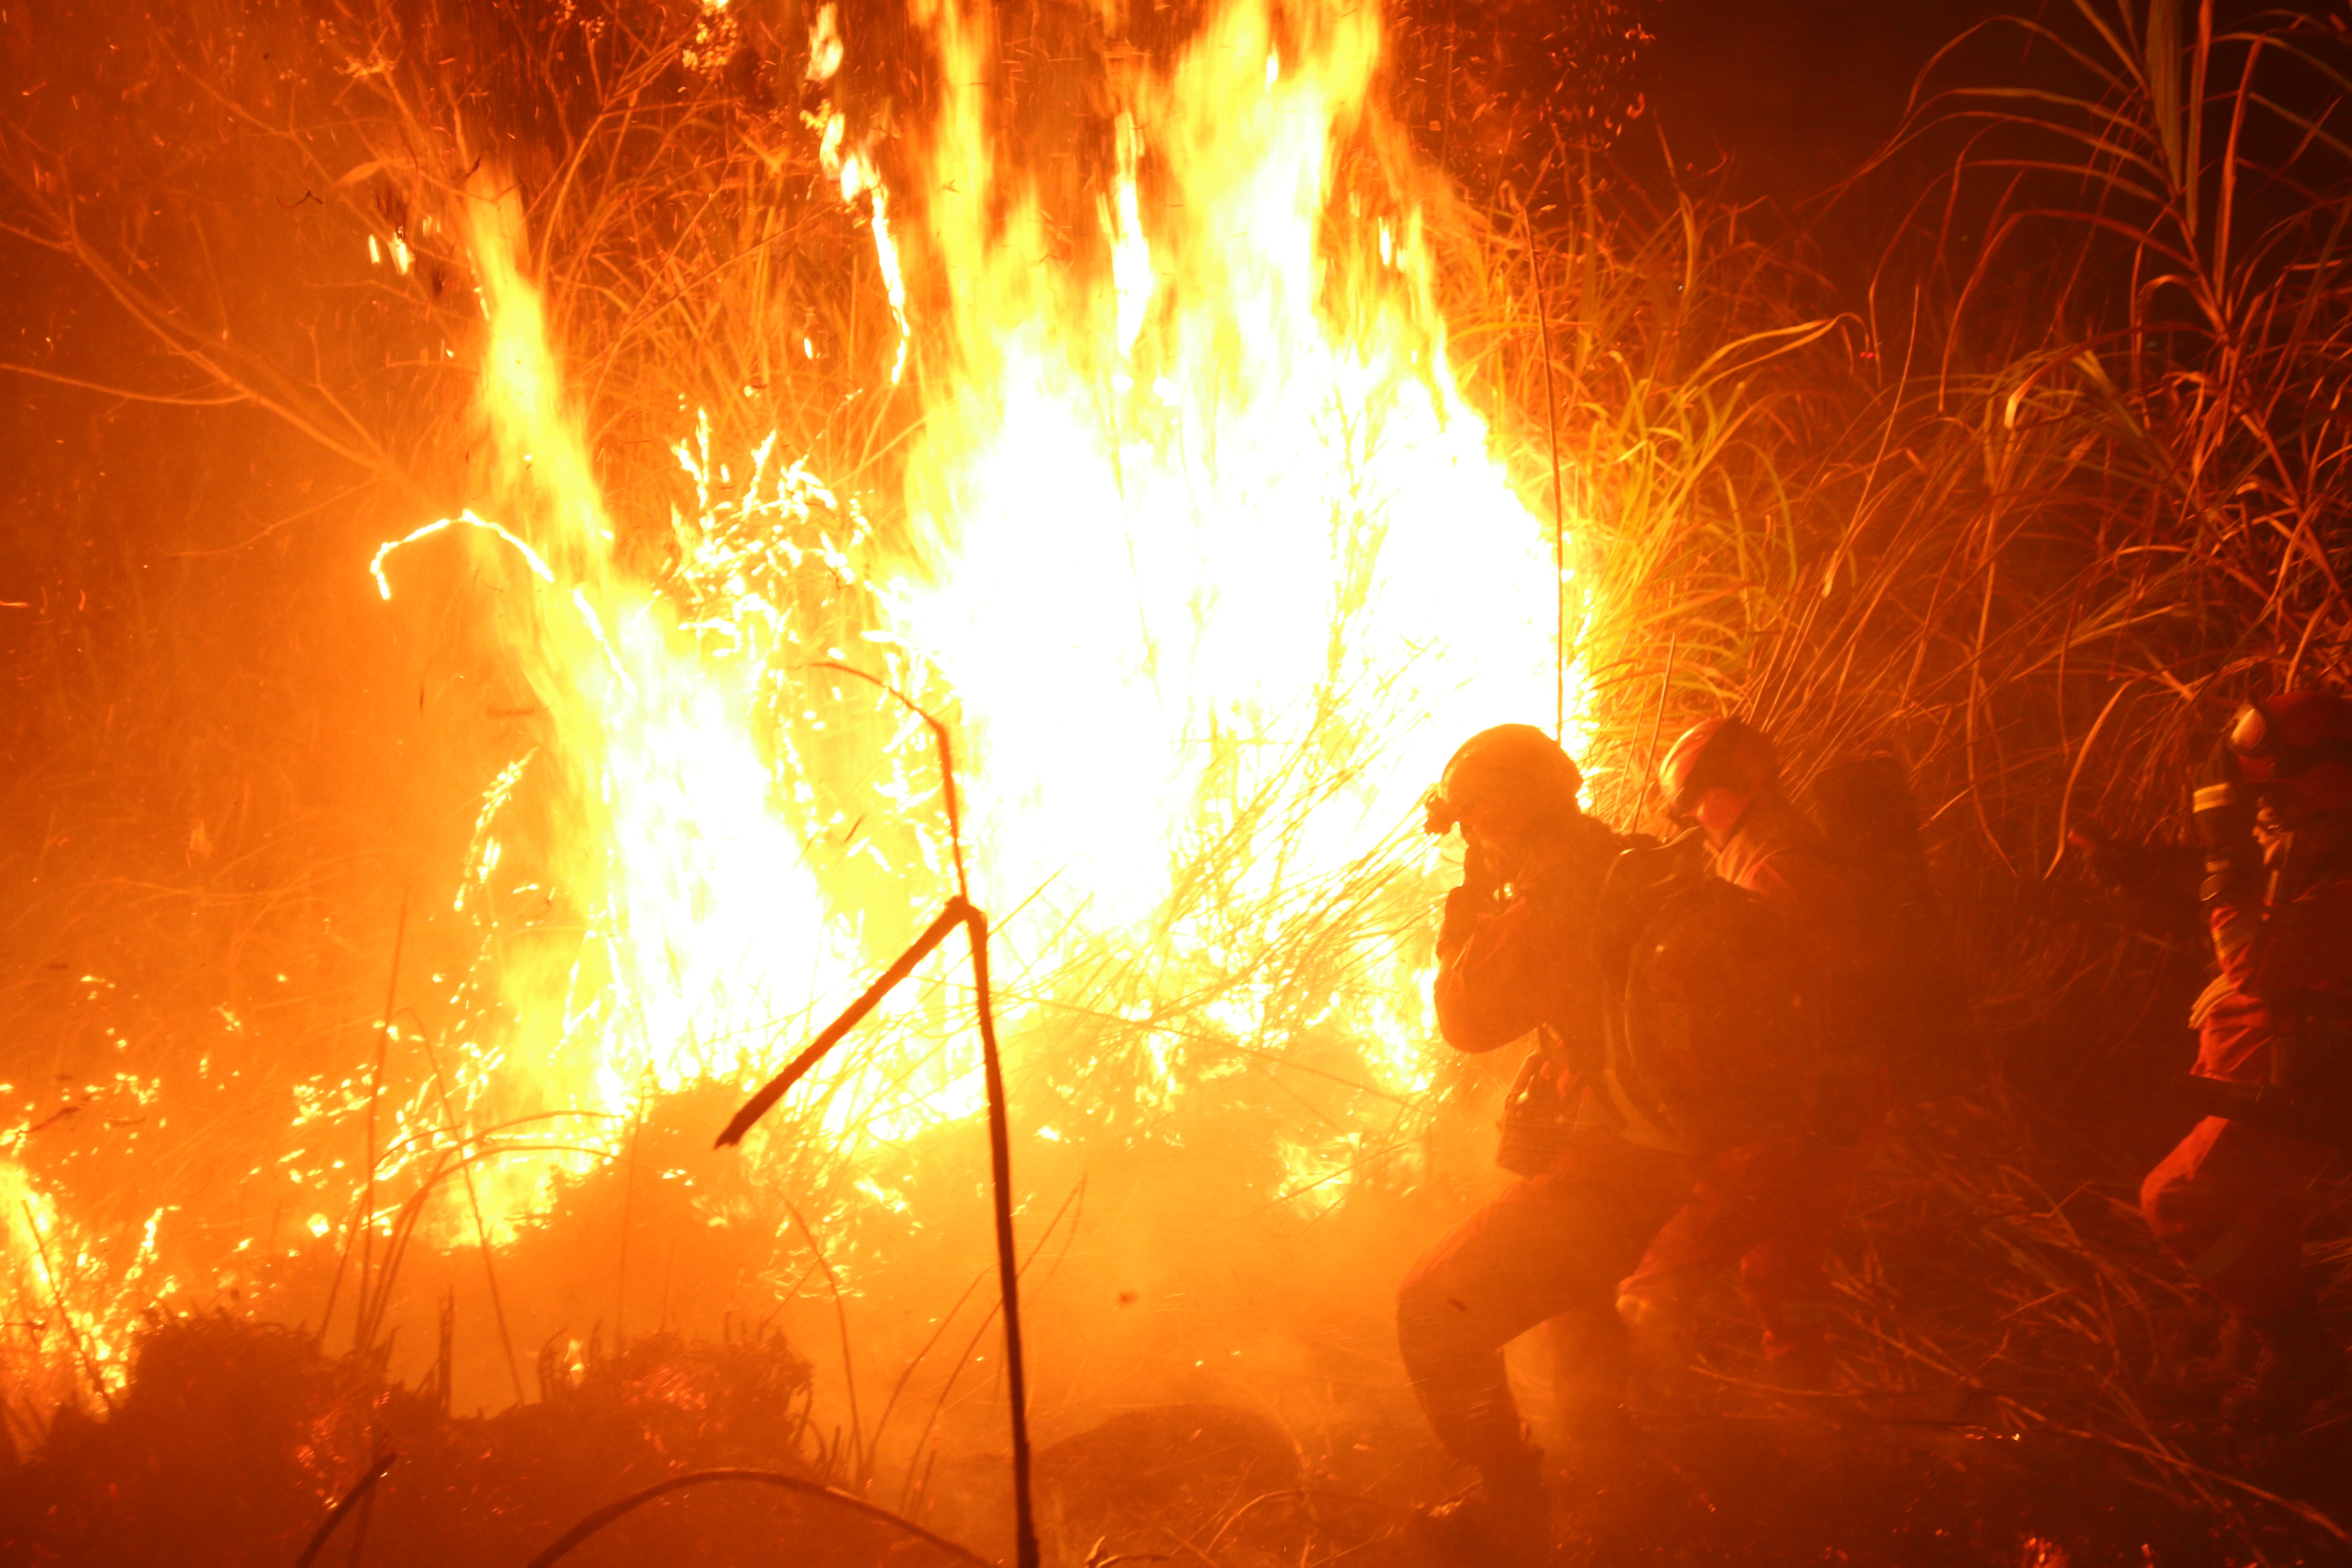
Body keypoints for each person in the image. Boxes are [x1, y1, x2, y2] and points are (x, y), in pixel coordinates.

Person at [1395, 724, 1688, 1563]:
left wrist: (1470, 914)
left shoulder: (1551, 898)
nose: (1474, 840)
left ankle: (1511, 1515)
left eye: (1480, 823)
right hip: (1683, 1150)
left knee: (1431, 1312)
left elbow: (1466, 1022)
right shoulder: (1626, 861)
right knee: (1575, 1312)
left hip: (1630, 1170)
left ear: (1509, 813)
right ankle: (1626, 1488)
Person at [1611, 717, 1877, 1388]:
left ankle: (1644, 1431)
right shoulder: (1753, 853)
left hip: (1800, 1118)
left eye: (1699, 799)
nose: (1693, 818)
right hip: (1820, 1112)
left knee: (1655, 1280)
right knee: (1785, 1264)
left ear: (1745, 781)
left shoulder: (1780, 866)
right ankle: (1811, 1390)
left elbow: (1814, 1003)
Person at [2139, 688, 2352, 1428]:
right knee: (2257, 1217)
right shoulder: (2317, 838)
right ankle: (2262, 1349)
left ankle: (2301, 1354)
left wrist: (2223, 851)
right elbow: (2257, 905)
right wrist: (2143, 868)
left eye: (2269, 798)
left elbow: (2256, 961)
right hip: (2260, 1069)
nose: (2261, 818)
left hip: (2293, 1082)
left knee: (2179, 1202)